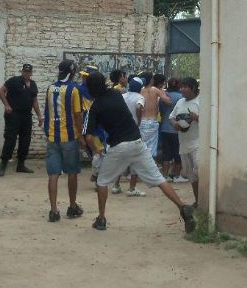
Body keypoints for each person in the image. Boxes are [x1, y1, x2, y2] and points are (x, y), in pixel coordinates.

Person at [82, 71, 196, 232]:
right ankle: (182, 207)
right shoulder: (116, 94)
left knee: (102, 181)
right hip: (137, 142)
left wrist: (95, 151)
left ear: (90, 88)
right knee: (159, 179)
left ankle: (101, 219)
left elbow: (88, 137)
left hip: (118, 146)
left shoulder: (95, 106)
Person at [43, 59, 85, 222]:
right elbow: (77, 115)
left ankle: (53, 210)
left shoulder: (50, 88)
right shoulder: (74, 89)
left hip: (52, 137)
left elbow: (47, 112)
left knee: (53, 174)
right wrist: (81, 135)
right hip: (69, 137)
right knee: (72, 172)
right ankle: (72, 206)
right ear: (72, 72)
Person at [0, 63, 42, 176]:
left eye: (28, 72)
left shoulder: (33, 84)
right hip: (13, 115)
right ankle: (3, 164)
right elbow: (1, 91)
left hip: (26, 116)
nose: (26, 73)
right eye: (25, 71)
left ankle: (20, 165)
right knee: (10, 139)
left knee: (25, 140)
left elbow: (34, 101)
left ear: (31, 73)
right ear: (22, 71)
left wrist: (39, 115)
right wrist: (7, 105)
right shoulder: (14, 81)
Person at [169, 78, 201, 206]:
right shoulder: (180, 102)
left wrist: (197, 118)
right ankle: (197, 201)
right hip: (183, 143)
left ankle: (204, 202)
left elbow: (210, 120)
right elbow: (171, 117)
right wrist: (175, 124)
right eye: (181, 87)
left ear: (193, 88)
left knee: (199, 171)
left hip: (198, 143)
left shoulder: (200, 102)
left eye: (185, 87)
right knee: (191, 175)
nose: (182, 89)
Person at [117, 77, 147, 197]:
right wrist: (138, 120)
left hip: (121, 130)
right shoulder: (140, 97)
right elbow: (139, 107)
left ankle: (116, 185)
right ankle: (132, 188)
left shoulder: (123, 96)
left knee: (121, 159)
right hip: (133, 131)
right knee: (136, 159)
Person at [139, 72, 171, 161]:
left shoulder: (140, 90)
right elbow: (168, 101)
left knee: (142, 146)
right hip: (152, 121)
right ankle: (150, 164)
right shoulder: (155, 90)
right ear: (151, 80)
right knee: (152, 148)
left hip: (141, 122)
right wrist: (163, 92)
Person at [159, 77, 183, 182]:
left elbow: (161, 111)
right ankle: (177, 176)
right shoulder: (181, 97)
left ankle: (165, 176)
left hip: (165, 128)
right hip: (177, 129)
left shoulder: (164, 97)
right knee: (178, 153)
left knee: (166, 153)